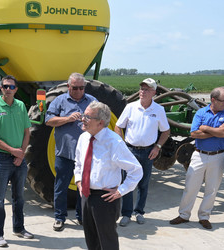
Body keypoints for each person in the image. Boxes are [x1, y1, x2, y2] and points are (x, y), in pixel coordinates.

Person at [74, 101, 143, 250]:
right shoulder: (83, 138)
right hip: (86, 195)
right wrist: (79, 182)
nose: (83, 119)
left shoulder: (114, 142)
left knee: (107, 241)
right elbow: (78, 164)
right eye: (83, 115)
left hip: (105, 198)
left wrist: (121, 191)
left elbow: (136, 170)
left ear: (101, 122)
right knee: (91, 239)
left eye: (88, 117)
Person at [170, 87, 224, 229]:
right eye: (223, 101)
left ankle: (204, 216)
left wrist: (205, 128)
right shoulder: (201, 112)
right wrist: (216, 131)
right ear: (213, 100)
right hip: (199, 155)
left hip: (218, 156)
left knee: (212, 189)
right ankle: (184, 215)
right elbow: (194, 134)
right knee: (191, 186)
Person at [0, 75, 33, 247]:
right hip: (2, 158)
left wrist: (21, 154)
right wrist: (12, 151)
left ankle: (19, 228)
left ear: (16, 89)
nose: (8, 90)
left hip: (20, 159)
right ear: (0, 88)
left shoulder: (20, 107)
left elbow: (27, 132)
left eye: (12, 87)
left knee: (19, 197)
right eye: (5, 86)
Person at [115, 78, 170, 226]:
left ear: (154, 92)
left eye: (146, 89)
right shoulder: (131, 107)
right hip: (130, 150)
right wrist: (121, 145)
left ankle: (139, 211)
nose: (142, 92)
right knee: (127, 183)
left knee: (143, 184)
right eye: (141, 89)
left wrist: (157, 147)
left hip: (147, 152)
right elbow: (118, 126)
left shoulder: (158, 110)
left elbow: (166, 131)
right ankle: (126, 214)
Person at [45, 72, 97, 231]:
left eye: (82, 88)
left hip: (86, 154)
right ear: (68, 86)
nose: (79, 91)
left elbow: (103, 120)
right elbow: (48, 121)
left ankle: (82, 217)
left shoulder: (92, 101)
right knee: (61, 187)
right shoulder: (60, 101)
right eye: (75, 88)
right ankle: (59, 217)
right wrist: (67, 119)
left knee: (84, 187)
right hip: (65, 153)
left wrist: (89, 120)